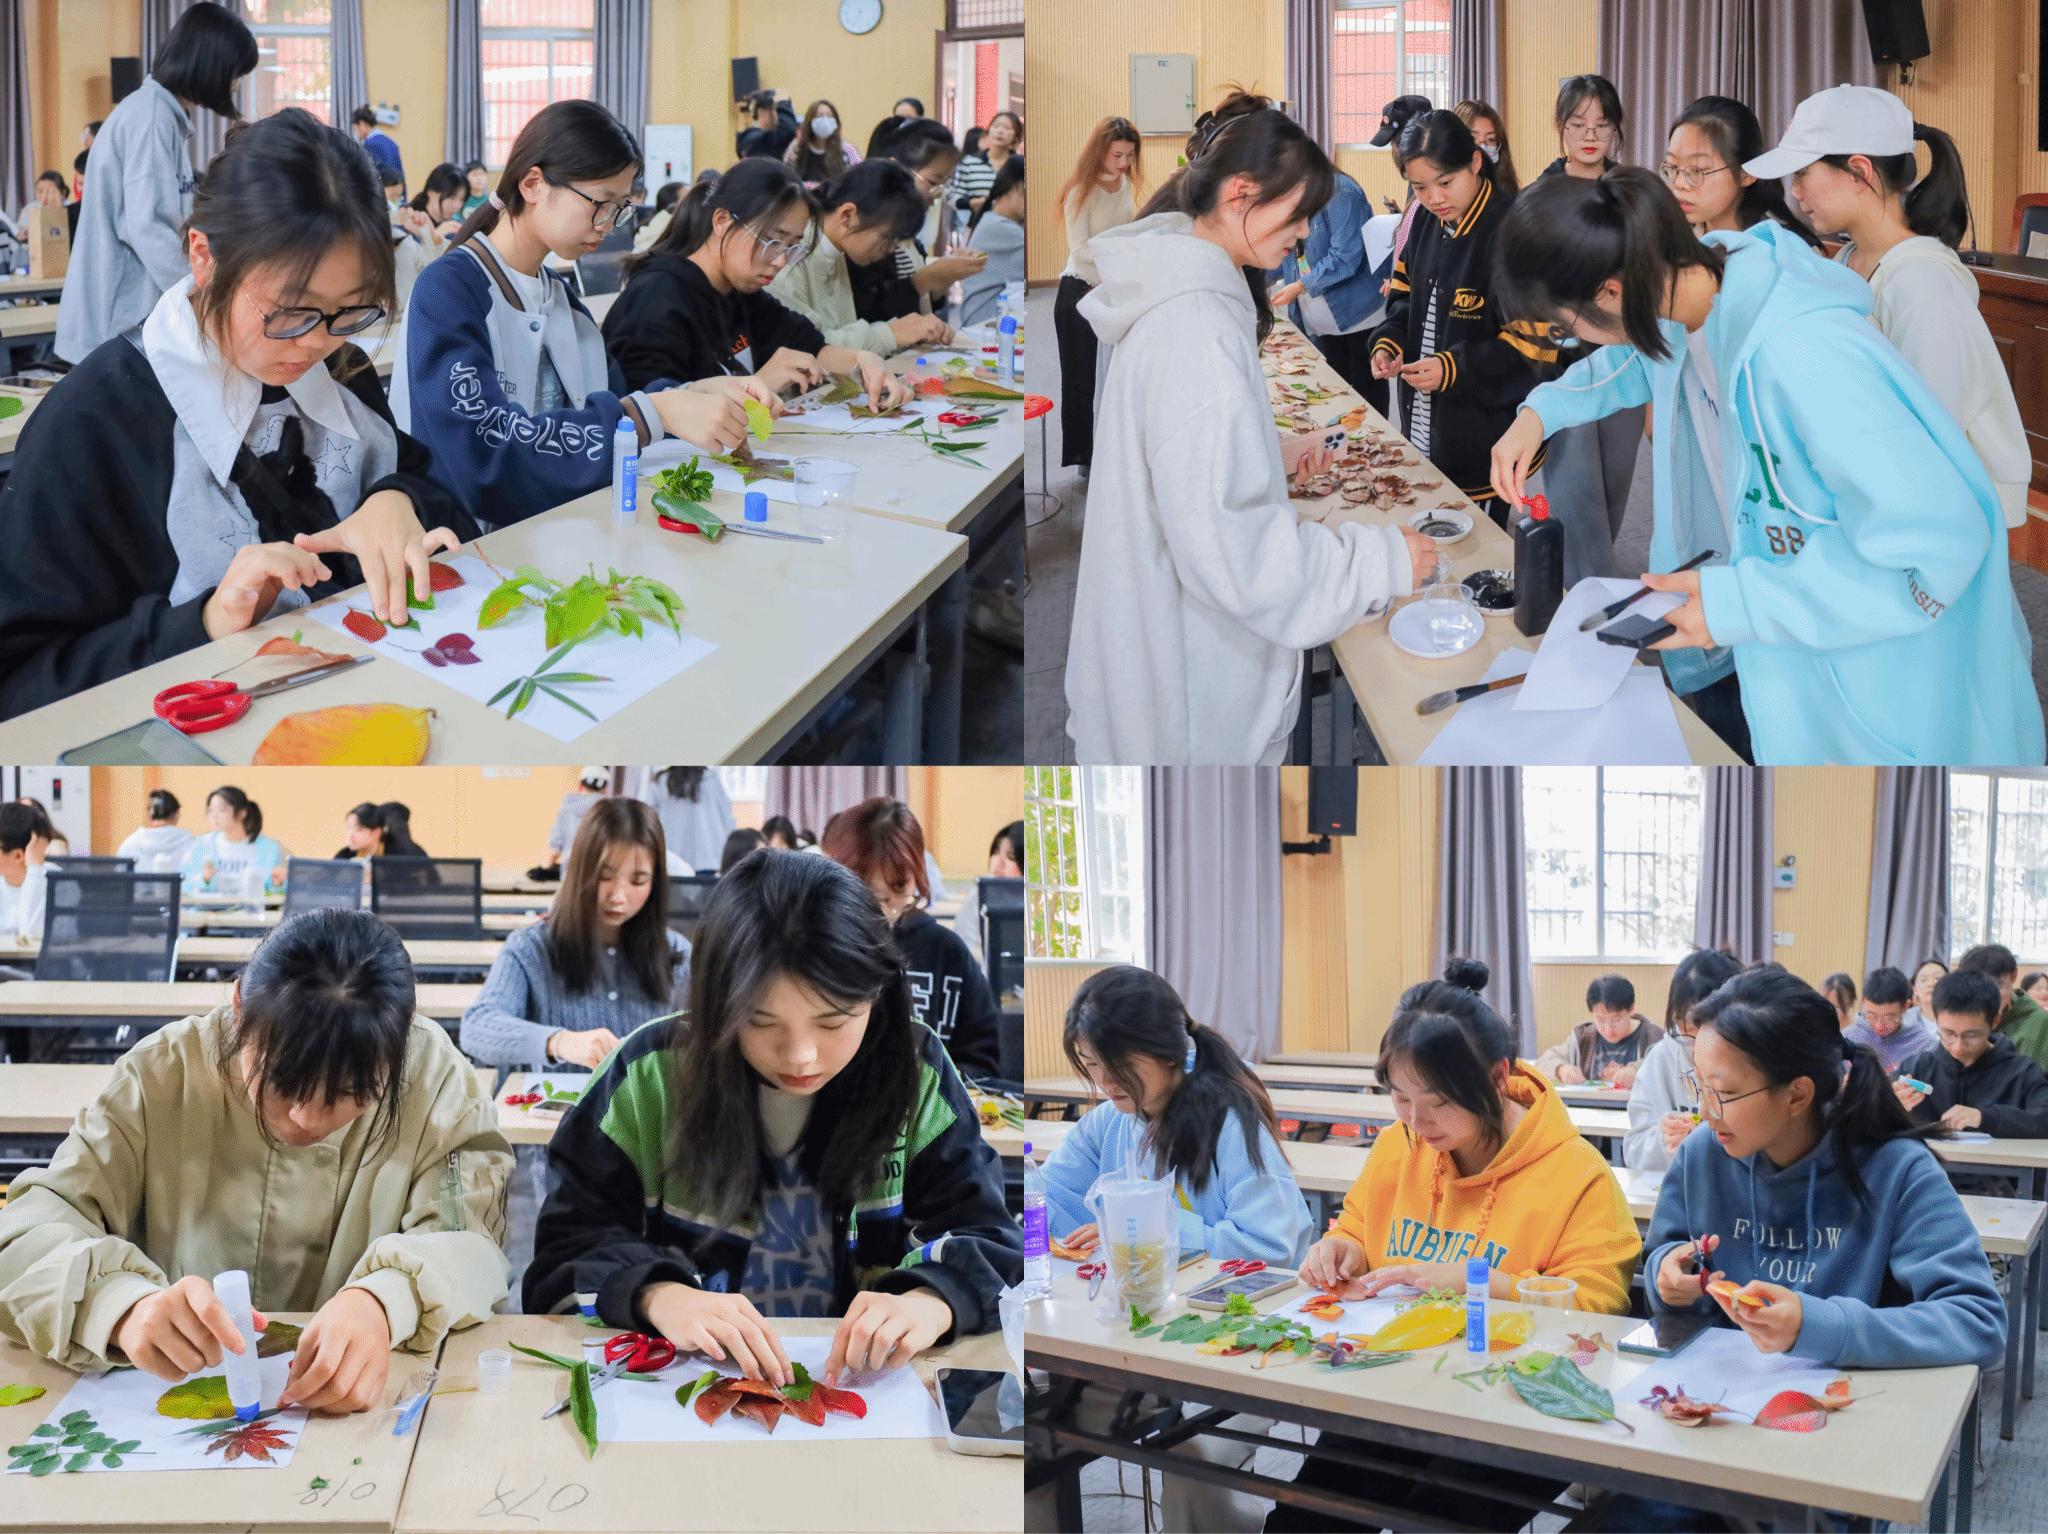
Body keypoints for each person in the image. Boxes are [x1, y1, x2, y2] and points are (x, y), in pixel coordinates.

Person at [1489, 166, 2045, 766]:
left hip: (1887, 681)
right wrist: (1540, 412)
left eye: (1565, 328)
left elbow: (1936, 548)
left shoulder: (1806, 356)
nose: (1575, 341)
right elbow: (1631, 361)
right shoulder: (1689, 299)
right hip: (1788, 624)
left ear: (1611, 291)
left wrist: (1742, 604)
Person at [0, 109, 480, 718]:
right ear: (204, 257)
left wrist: (396, 498)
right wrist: (203, 622)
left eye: (352, 311)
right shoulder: (93, 423)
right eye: (291, 312)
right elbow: (22, 685)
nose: (317, 343)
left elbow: (428, 492)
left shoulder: (340, 367)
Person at [524, 849, 1019, 1385]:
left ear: (877, 996)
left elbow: (991, 1235)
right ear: (716, 1003)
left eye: (833, 1021)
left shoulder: (915, 1074)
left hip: (861, 1390)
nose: (800, 1056)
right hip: (688, 1390)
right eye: (760, 1022)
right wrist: (656, 1295)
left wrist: (931, 1299)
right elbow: (561, 1258)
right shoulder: (644, 1078)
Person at [0, 908, 512, 1400]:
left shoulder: (434, 1081)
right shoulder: (162, 1074)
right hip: (168, 1395)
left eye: (350, 1092)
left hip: (361, 1415)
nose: (305, 1119)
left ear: (401, 1042)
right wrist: (119, 1307)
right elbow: (27, 1233)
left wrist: (385, 1300)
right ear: (239, 1008)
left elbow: (470, 1243)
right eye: (282, 1083)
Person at [1064, 105, 1436, 765]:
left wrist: (1265, 458)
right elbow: (1239, 560)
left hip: (1163, 640)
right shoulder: (1198, 330)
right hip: (1189, 693)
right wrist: (1381, 561)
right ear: (1241, 194)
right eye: (1297, 214)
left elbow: (1185, 473)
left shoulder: (1183, 292)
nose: (1304, 233)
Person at [1273, 959, 1640, 1530]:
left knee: (1439, 1521)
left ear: (1496, 1078)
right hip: (1395, 1382)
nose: (1416, 1120)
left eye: (1439, 1101)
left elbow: (1599, 1310)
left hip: (1511, 1404)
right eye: (1400, 1098)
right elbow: (1357, 1223)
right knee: (1307, 1520)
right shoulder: (1399, 1145)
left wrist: (1482, 1283)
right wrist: (1344, 1246)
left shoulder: (1577, 1174)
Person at [1032, 965, 1313, 1534]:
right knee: (1027, 1429)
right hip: (1137, 1344)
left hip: (1236, 1345)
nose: (1105, 1081)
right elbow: (1049, 1199)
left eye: (1118, 1064)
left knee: (1195, 1456)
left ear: (1168, 1052)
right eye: (1090, 1065)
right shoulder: (1110, 1123)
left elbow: (1273, 1246)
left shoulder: (1230, 1120)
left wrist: (1149, 1227)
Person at [393, 100, 764, 529]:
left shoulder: (561, 298)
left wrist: (693, 393)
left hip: (554, 536)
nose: (609, 224)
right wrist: (654, 413)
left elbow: (615, 399)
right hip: (466, 551)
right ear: (533, 185)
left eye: (620, 208)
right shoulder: (449, 290)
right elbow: (486, 457)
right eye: (601, 203)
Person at [1644, 965, 2004, 1369]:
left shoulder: (1897, 1170)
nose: (1704, 1112)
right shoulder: (1702, 1154)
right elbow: (1662, 1255)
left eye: (1723, 1092)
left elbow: (1979, 1323)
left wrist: (1820, 1327)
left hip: (1852, 1397)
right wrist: (1666, 1275)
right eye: (1699, 1085)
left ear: (1797, 1095)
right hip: (1722, 1389)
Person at [1761, 85, 2030, 533]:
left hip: (1932, 518)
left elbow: (1933, 431)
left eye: (1803, 173)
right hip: (1875, 498)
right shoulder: (1849, 260)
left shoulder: (1920, 283)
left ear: (1859, 172)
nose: (1796, 192)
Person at [1367, 110, 1559, 524]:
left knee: (1474, 537)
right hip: (1424, 421)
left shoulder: (1514, 230)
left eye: (1445, 182)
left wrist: (1452, 368)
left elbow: (1535, 349)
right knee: (1429, 527)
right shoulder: (1425, 220)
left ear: (1475, 163)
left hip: (1485, 436)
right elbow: (1404, 298)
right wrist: (1389, 341)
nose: (1434, 198)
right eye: (1420, 187)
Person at [601, 157, 906, 411]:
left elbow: (813, 346)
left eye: (792, 247)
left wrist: (862, 360)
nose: (781, 261)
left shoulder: (741, 293)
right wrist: (759, 384)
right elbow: (646, 417)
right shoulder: (656, 301)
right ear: (722, 222)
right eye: (772, 241)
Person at [56, 3, 257, 364]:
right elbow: (149, 228)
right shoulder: (151, 117)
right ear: (211, 64)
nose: (236, 84)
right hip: (117, 319)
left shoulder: (156, 113)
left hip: (125, 316)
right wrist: (205, 293)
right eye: (235, 72)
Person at [462, 798, 691, 1074]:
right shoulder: (531, 948)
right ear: (580, 871)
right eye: (605, 876)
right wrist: (559, 1042)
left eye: (638, 881)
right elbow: (476, 1028)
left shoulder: (676, 951)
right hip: (563, 1102)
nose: (618, 896)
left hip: (648, 1103)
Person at [822, 798, 1001, 1083]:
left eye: (897, 888)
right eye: (865, 892)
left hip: (928, 1107)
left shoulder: (948, 952)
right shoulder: (819, 949)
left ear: (918, 877)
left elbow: (984, 1063)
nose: (882, 910)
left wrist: (935, 1086)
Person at [767, 158, 951, 355]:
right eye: (887, 237)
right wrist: (890, 334)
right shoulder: (791, 256)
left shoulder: (837, 249)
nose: (891, 249)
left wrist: (905, 331)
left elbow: (840, 331)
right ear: (848, 215)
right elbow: (808, 347)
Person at [1053, 116, 1141, 472]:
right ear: (1099, 152)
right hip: (1078, 293)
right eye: (1117, 155)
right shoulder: (1081, 190)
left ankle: (1108, 456)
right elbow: (1080, 251)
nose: (1123, 163)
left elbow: (1124, 231)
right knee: (1080, 383)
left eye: (1129, 155)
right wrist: (1121, 255)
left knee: (1112, 379)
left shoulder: (1123, 182)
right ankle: (1083, 460)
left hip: (1110, 292)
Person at [1267, 165, 1382, 403]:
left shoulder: (1340, 190)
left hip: (1356, 317)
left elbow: (1346, 255)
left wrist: (1300, 286)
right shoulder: (1289, 192)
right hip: (1318, 322)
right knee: (1332, 397)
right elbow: (1287, 255)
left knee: (1363, 402)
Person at [1623, 947, 1744, 1172]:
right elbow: (1634, 1151)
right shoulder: (1662, 1058)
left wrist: (1706, 1138)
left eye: (1706, 1027)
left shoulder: (1752, 1060)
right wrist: (1666, 1138)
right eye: (1687, 1029)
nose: (1697, 1046)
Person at [850, 119, 981, 325]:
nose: (936, 195)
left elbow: (922, 305)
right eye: (933, 182)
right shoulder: (867, 233)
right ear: (896, 169)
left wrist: (945, 277)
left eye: (944, 184)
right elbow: (868, 312)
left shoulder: (909, 235)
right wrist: (924, 280)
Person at [1895, 968, 2048, 1138]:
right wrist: (1892, 1108)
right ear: (1936, 1020)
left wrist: (1985, 1118)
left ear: (1995, 1021)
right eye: (1948, 1034)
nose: (1958, 1047)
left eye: (1971, 1035)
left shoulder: (2022, 1073)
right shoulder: (1915, 1069)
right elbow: (1876, 1120)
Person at [1662, 95, 1823, 249]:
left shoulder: (1787, 249)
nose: (1679, 184)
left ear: (1747, 173)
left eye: (1697, 170)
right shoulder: (1666, 238)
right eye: (1672, 166)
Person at [1533, 974, 1663, 1087]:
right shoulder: (1583, 1037)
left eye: (1616, 1019)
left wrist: (1637, 1070)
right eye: (1600, 1019)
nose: (1608, 1029)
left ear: (1632, 1009)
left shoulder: (1654, 1036)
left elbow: (1670, 1066)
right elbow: (1542, 1063)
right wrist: (1561, 1069)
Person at [1955, 943, 2048, 1073]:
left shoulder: (2040, 1022)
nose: (1987, 997)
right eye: (1976, 988)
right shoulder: (1960, 1017)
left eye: (1997, 987)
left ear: (2013, 976)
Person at [180, 785, 288, 897]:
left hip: (250, 907)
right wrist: (204, 878)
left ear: (242, 812)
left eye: (221, 810)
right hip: (209, 907)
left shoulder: (268, 848)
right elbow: (183, 885)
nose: (214, 816)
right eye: (211, 810)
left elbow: (276, 893)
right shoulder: (202, 844)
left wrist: (278, 883)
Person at [958, 156, 1024, 327]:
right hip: (985, 326)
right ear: (1016, 188)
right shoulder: (1004, 230)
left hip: (982, 322)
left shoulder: (992, 220)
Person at [953, 818, 1023, 971]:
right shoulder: (978, 897)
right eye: (996, 852)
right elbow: (963, 948)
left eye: (1011, 857)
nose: (998, 862)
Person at [1841, 964, 1937, 1072]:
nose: (1879, 1026)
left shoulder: (1925, 1046)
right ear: (1863, 1002)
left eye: (1888, 1018)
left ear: (1905, 1007)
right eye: (1871, 1015)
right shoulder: (1847, 1038)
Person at [639, 767, 736, 874]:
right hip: (709, 860)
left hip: (673, 861)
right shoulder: (712, 779)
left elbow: (646, 820)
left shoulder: (660, 782)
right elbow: (727, 818)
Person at [539, 767, 611, 874]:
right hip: (602, 873)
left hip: (571, 873)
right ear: (605, 787)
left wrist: (543, 868)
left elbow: (555, 846)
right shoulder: (611, 809)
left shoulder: (567, 807)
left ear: (581, 786)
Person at [953, 110, 1020, 218]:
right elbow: (954, 197)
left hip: (1012, 224)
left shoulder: (1020, 166)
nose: (1000, 131)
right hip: (976, 222)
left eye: (1007, 128)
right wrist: (971, 203)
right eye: (996, 126)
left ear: (1016, 136)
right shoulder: (970, 163)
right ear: (989, 131)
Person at [0, 802, 49, 949]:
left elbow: (32, 939)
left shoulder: (59, 884)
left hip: (34, 963)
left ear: (18, 856)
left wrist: (34, 871)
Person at [116, 788, 195, 875]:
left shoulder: (129, 844)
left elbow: (119, 878)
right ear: (176, 814)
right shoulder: (190, 843)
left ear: (149, 814)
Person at [784, 98, 861, 187]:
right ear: (810, 121)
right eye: (819, 115)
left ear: (836, 122)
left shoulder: (847, 149)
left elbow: (859, 177)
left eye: (829, 116)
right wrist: (812, 186)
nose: (825, 120)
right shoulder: (797, 149)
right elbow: (787, 181)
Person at [1453, 99, 1519, 198]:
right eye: (1473, 138)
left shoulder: (1508, 198)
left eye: (1491, 139)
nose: (1483, 146)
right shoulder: (1441, 197)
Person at [410, 162, 470, 241]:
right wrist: (436, 235)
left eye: (462, 199)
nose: (456, 206)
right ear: (431, 192)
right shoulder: (411, 221)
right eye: (451, 197)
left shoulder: (454, 224)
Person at [349, 105, 404, 190]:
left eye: (356, 129)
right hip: (398, 193)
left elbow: (367, 178)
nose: (358, 134)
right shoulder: (391, 143)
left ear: (362, 124)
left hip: (383, 193)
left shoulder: (369, 145)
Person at [7, 170, 67, 245]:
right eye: (40, 191)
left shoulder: (69, 209)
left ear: (61, 193)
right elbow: (20, 234)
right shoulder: (30, 209)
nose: (44, 197)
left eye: (49, 192)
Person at [737, 90, 798, 162]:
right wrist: (783, 103)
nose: (780, 115)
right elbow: (788, 130)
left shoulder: (750, 137)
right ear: (761, 112)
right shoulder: (754, 139)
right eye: (777, 110)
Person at [1907, 956, 1949, 1035]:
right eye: (1923, 980)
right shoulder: (1905, 1020)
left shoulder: (1959, 1017)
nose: (1930, 984)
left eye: (1937, 978)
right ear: (1915, 990)